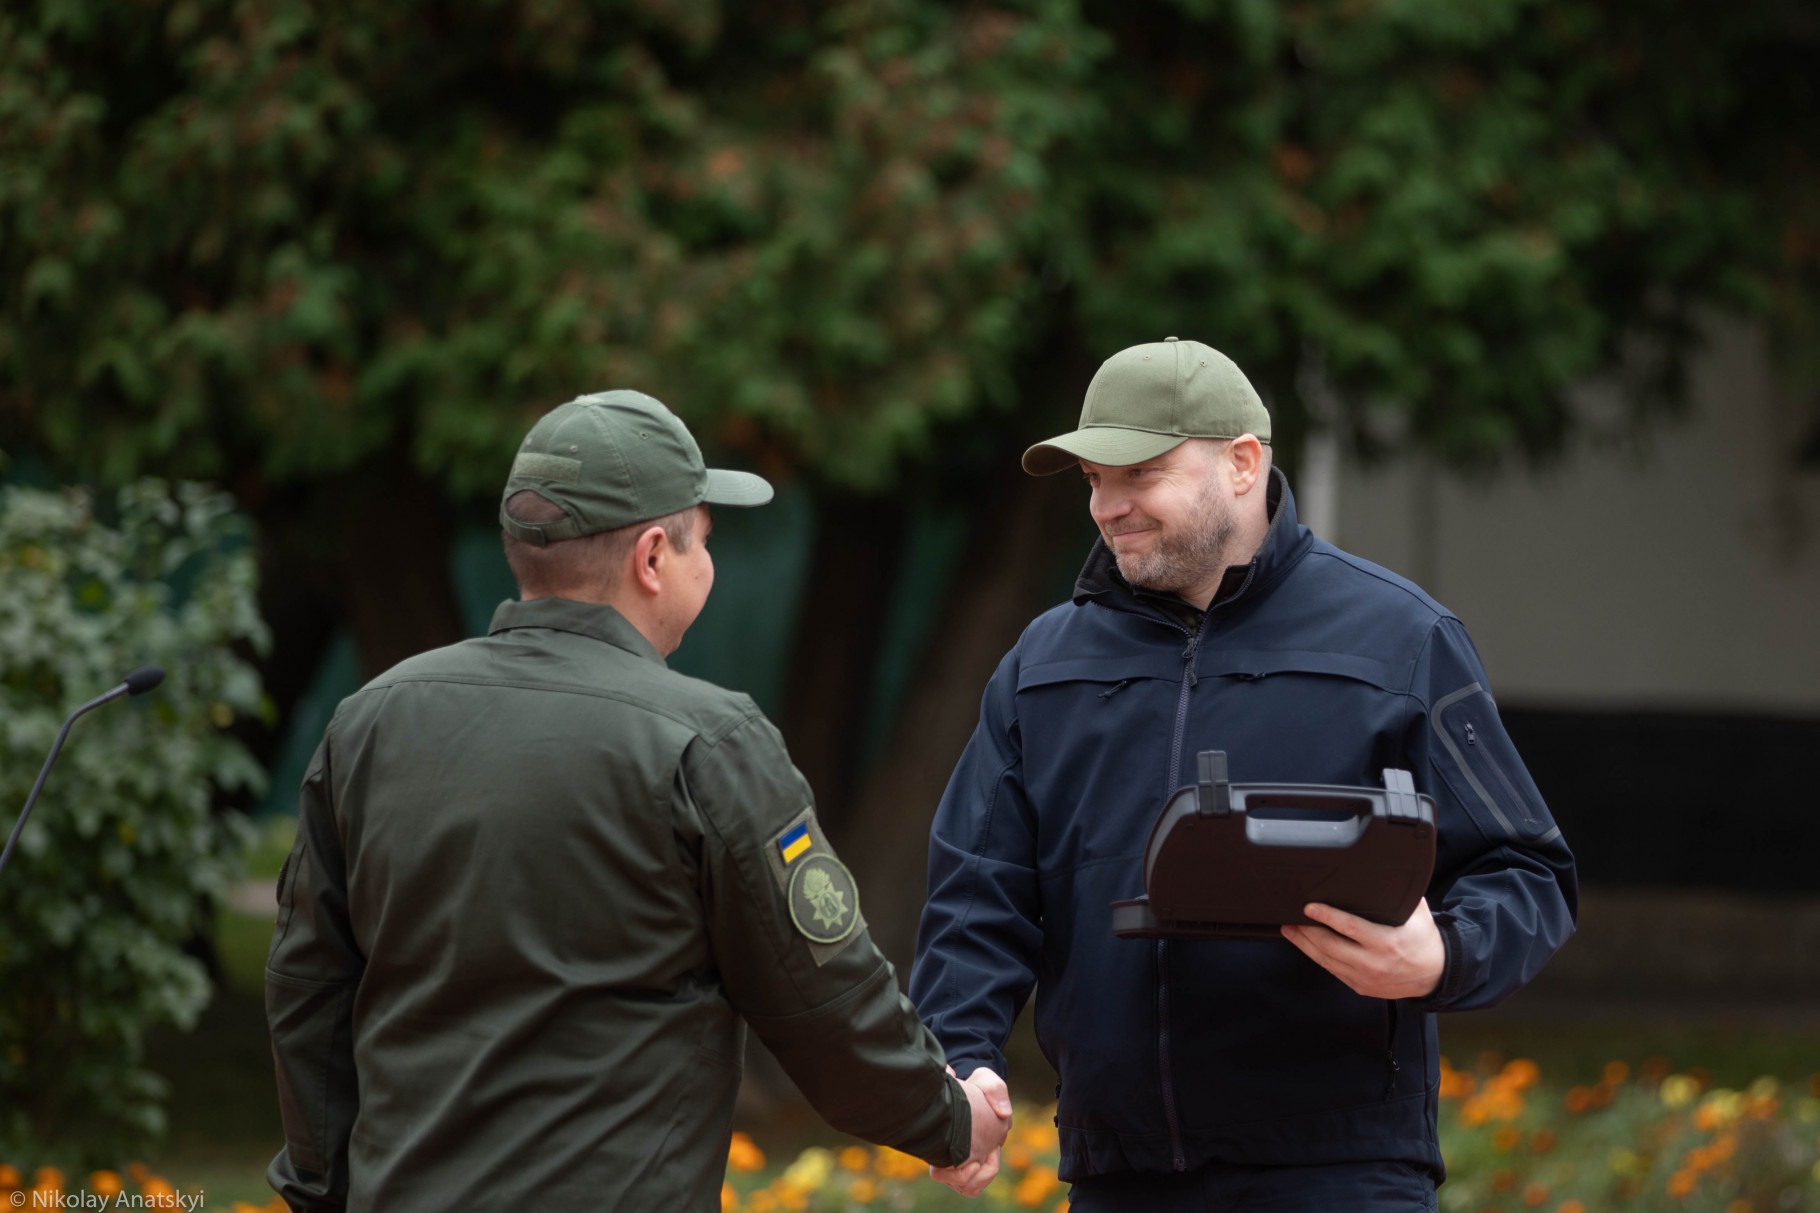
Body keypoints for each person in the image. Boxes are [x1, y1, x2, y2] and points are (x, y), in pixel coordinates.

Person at [265, 390, 1011, 1212]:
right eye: (706, 542)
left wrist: (321, 1187)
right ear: (653, 557)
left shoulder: (369, 722)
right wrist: (950, 1117)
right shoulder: (707, 741)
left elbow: (309, 987)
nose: (709, 566)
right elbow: (823, 1001)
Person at [909, 339, 1578, 1211]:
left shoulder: (1401, 639)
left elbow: (1527, 872)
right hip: (1117, 1177)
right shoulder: (1044, 666)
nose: (1108, 506)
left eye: (1138, 472)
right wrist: (962, 1064)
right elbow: (976, 893)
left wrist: (1441, 954)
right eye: (1091, 480)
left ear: (1243, 462)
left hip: (1342, 1171)